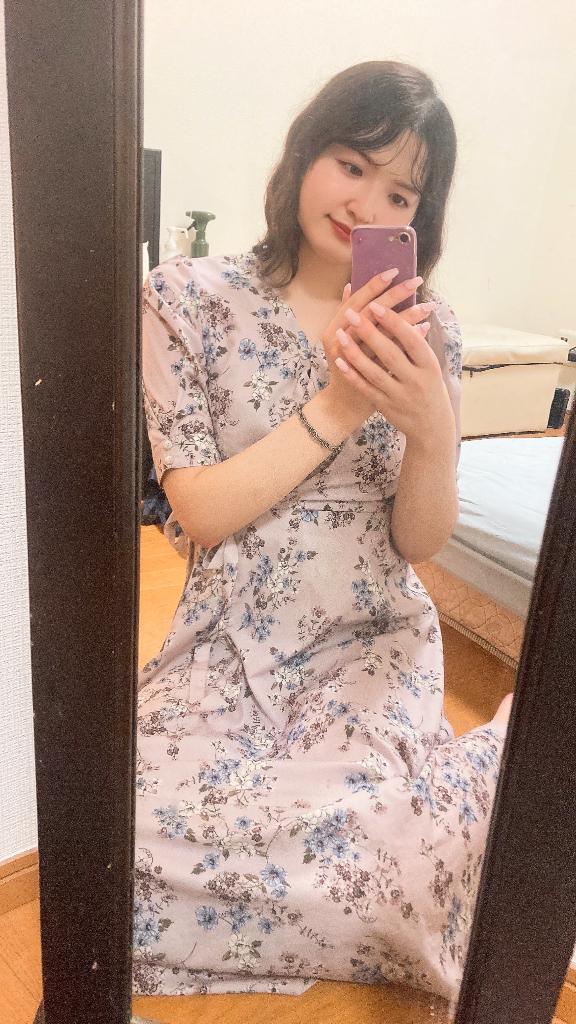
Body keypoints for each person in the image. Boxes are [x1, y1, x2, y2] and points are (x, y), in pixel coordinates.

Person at [132, 60, 514, 1005]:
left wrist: (432, 435)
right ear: (306, 153)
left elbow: (420, 543)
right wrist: (342, 405)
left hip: (368, 642)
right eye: (351, 164)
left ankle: (488, 767)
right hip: (227, 640)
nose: (364, 204)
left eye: (399, 194)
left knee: (379, 862)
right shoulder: (186, 298)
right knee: (115, 840)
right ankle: (473, 796)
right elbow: (199, 512)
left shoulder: (430, 330)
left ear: (419, 218)